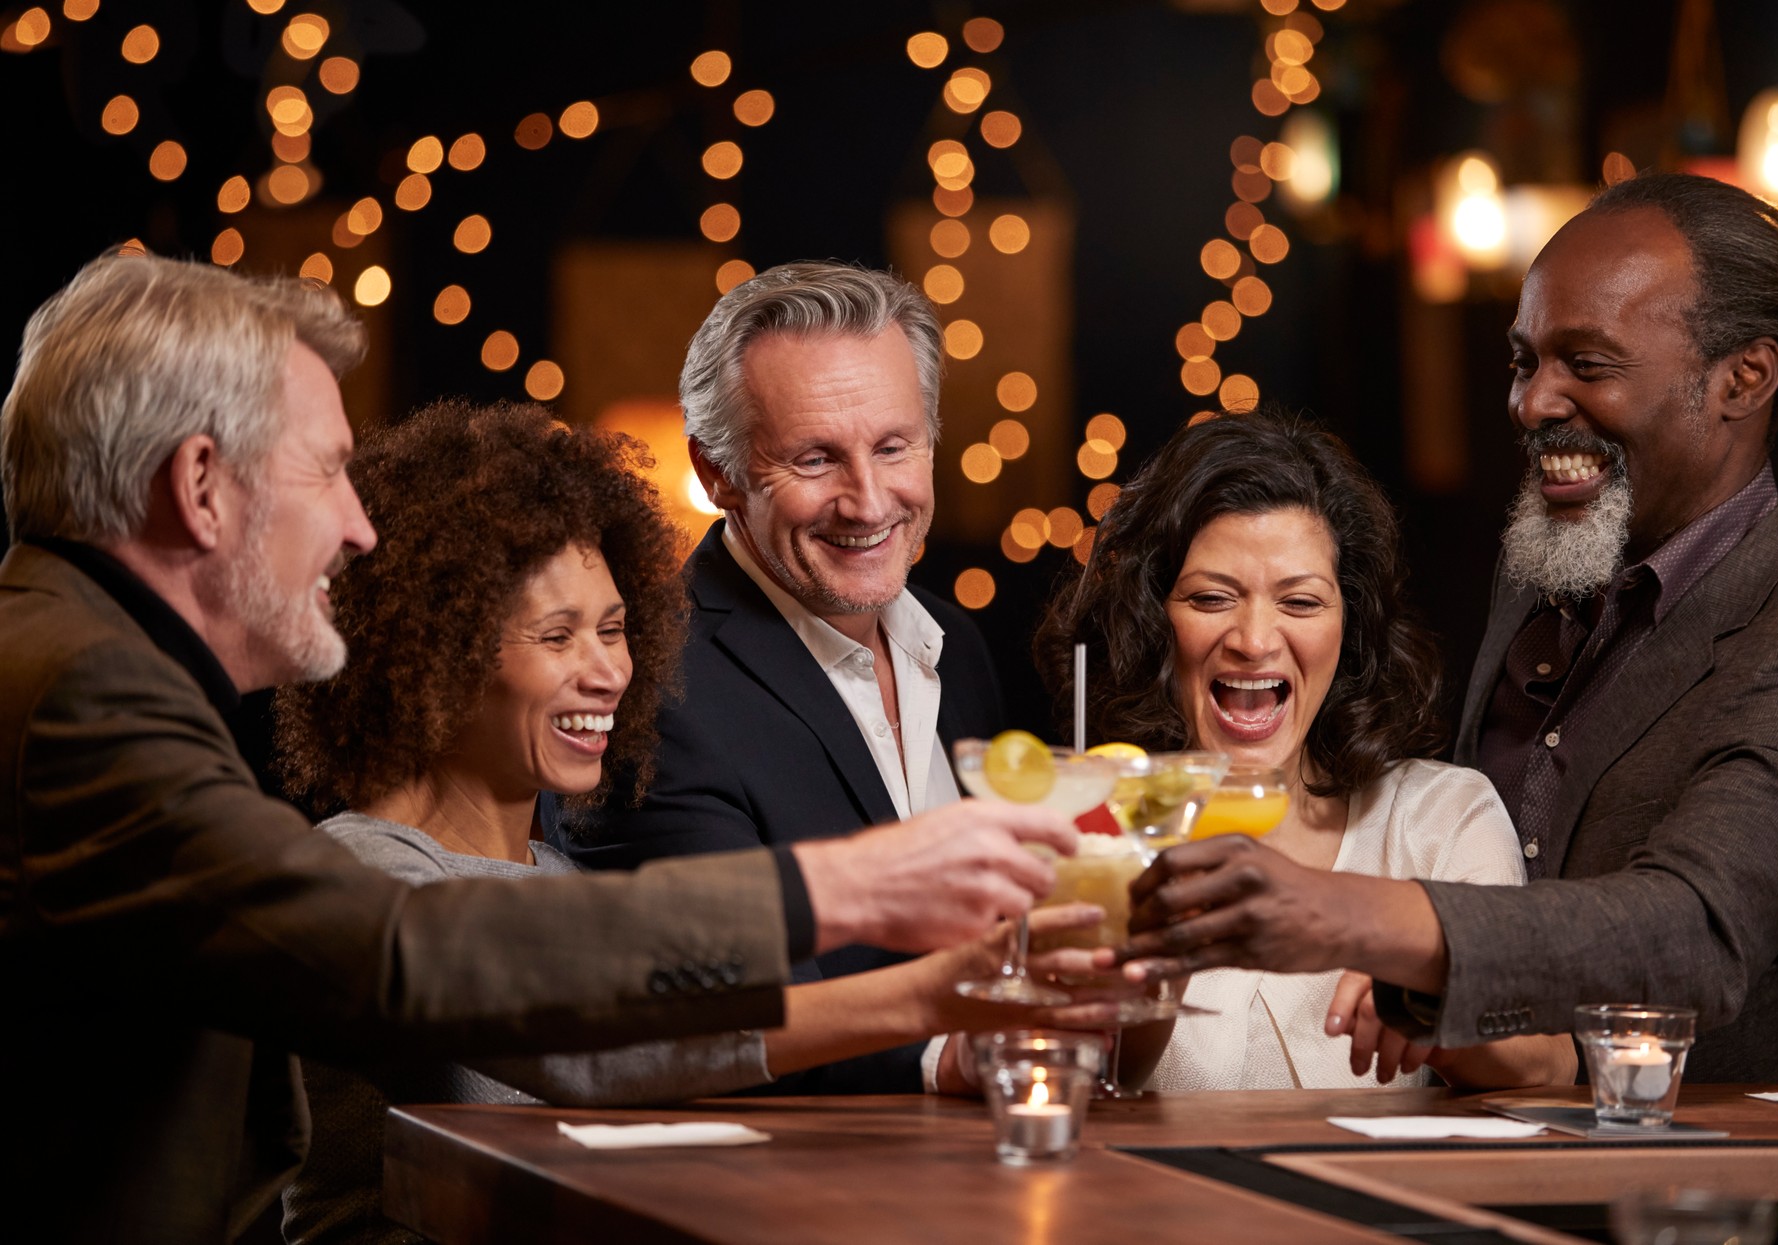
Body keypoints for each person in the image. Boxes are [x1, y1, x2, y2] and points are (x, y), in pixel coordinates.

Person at [0, 253, 1078, 1243]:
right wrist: (841, 892)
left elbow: (593, 1038)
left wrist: (927, 997)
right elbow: (412, 956)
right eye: (326, 471)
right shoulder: (83, 691)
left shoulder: (72, 657)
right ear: (200, 486)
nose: (357, 527)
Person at [1120, 173, 1778, 1084]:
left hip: (1712, 1176)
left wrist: (1352, 914)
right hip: (1498, 1164)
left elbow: (1689, 932)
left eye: (1589, 363)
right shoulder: (1547, 558)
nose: (1533, 404)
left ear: (1743, 377)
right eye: (1525, 361)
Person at [274, 400, 1097, 1243]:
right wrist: (926, 993)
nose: (609, 673)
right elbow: (596, 1041)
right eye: (558, 636)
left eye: (615, 629)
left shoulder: (562, 874)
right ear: (432, 659)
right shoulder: (359, 871)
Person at [551, 262, 1003, 1093]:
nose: (868, 502)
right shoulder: (645, 685)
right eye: (815, 458)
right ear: (718, 472)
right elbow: (703, 1007)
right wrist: (947, 1054)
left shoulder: (958, 645)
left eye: (894, 446)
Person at [1036, 410, 1571, 1090]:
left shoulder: (1438, 819)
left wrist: (1435, 1001)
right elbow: (1047, 1076)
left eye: (1300, 601)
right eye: (1210, 597)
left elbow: (1551, 1065)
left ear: (1349, 628)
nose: (1255, 639)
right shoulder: (1084, 823)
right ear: (1152, 621)